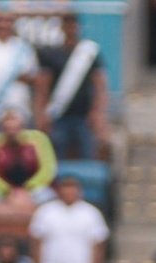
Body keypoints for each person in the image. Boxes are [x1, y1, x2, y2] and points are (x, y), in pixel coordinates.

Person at [35, 12, 110, 160]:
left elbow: (99, 85)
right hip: (59, 116)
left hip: (84, 116)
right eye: (67, 26)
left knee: (87, 156)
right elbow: (43, 87)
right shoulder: (52, 54)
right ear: (62, 28)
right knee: (58, 157)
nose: (71, 29)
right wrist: (42, 114)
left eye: (73, 26)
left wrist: (98, 112)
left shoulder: (89, 52)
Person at [29, 174, 109, 263]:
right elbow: (36, 241)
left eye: (73, 188)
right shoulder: (45, 212)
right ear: (59, 190)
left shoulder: (91, 213)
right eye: (65, 187)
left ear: (79, 191)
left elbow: (99, 245)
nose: (69, 192)